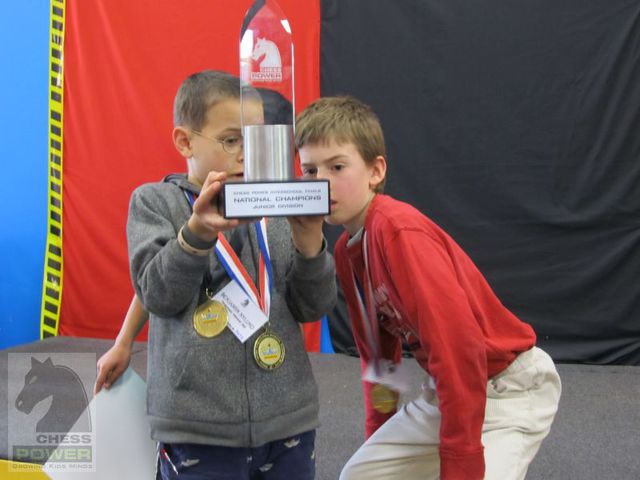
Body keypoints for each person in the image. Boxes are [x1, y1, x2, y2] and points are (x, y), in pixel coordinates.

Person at [294, 96, 561, 480]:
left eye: (337, 166)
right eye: (309, 170)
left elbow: (459, 347)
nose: (320, 182)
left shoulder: (399, 232)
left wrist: (461, 462)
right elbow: (379, 358)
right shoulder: (347, 249)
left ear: (375, 170)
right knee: (359, 476)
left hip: (508, 389)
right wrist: (379, 435)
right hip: (445, 392)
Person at [99, 70, 336, 480]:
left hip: (287, 423)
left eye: (255, 139)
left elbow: (312, 306)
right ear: (185, 141)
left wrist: (311, 244)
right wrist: (196, 235)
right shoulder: (155, 203)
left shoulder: (275, 205)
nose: (246, 154)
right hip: (197, 428)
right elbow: (155, 292)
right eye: (230, 140)